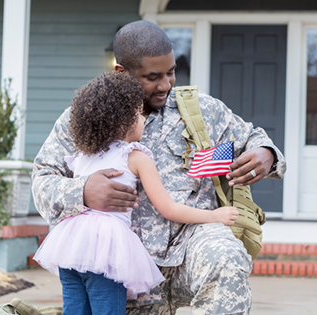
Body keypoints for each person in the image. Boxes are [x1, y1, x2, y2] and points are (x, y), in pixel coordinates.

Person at [32, 20, 286, 315]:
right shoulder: (86, 117)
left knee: (226, 256)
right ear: (121, 72)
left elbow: (255, 137)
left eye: (171, 72)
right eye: (152, 77)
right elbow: (42, 177)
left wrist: (266, 154)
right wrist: (83, 191)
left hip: (190, 244)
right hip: (121, 266)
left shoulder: (201, 110)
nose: (165, 85)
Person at [33, 72, 239, 315]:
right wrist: (215, 216)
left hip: (70, 247)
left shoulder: (82, 155)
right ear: (123, 124)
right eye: (138, 115)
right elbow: (169, 208)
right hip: (105, 250)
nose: (144, 119)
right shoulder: (136, 157)